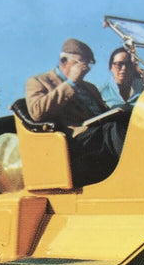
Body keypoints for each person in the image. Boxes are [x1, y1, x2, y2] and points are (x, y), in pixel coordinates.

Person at [25, 38, 128, 186]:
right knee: (113, 127)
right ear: (64, 60)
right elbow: (37, 112)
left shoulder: (90, 88)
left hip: (100, 133)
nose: (86, 69)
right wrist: (70, 83)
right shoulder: (39, 81)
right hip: (74, 139)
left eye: (88, 64)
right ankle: (132, 174)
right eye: (81, 63)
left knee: (127, 119)